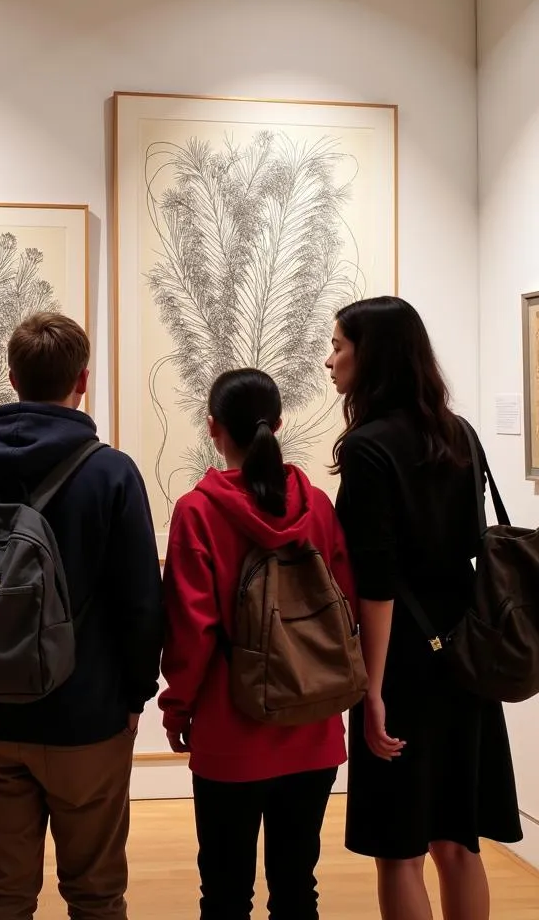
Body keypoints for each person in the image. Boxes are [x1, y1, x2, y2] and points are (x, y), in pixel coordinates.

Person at [0, 311, 163, 920]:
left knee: (4, 894)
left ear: (12, 379)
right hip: (87, 716)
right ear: (82, 379)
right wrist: (136, 696)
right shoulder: (111, 473)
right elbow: (141, 600)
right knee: (95, 893)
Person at [327, 296, 521, 920]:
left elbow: (378, 583)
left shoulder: (367, 447)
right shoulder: (457, 431)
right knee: (457, 841)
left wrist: (372, 685)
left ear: (370, 356)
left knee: (399, 849)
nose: (330, 362)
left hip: (405, 655)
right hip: (465, 645)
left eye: (339, 347)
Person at [159, 368, 353, 920]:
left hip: (230, 731)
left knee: (224, 896)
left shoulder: (197, 512)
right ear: (280, 424)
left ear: (212, 427)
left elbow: (192, 627)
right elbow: (347, 604)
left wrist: (177, 707)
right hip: (313, 726)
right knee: (298, 890)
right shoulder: (316, 504)